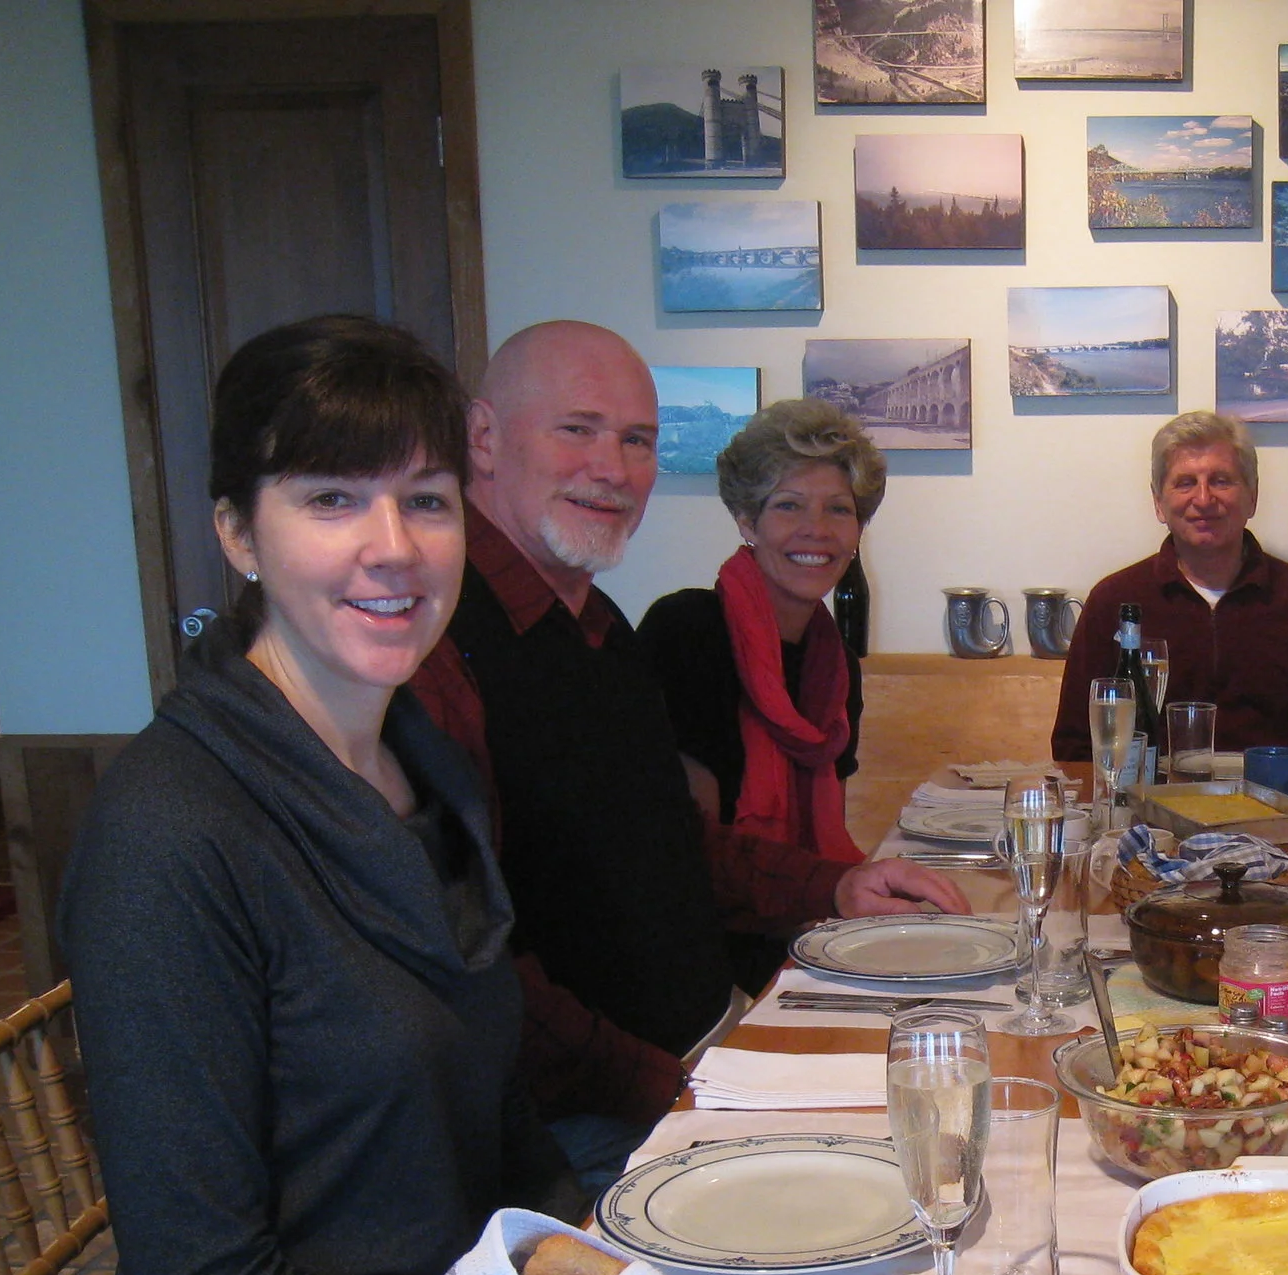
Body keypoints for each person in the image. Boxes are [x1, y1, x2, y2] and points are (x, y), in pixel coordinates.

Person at [59, 315, 578, 1275]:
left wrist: (593, 1267)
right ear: (238, 532)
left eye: (426, 500)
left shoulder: (422, 761)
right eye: (331, 497)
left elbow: (497, 1107)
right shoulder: (170, 830)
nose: (392, 547)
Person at [409, 321, 965, 1188]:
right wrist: (675, 1085)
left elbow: (671, 843)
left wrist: (835, 885)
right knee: (932, 1166)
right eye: (578, 430)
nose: (613, 467)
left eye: (636, 441)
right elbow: (469, 974)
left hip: (699, 1045)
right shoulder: (433, 647)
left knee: (962, 1108)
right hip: (580, 1127)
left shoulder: (597, 632)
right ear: (482, 437)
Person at [639, 396, 873, 855]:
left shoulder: (838, 667)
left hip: (802, 908)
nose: (817, 529)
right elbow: (690, 848)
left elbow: (822, 847)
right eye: (789, 506)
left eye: (839, 509)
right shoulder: (687, 632)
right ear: (748, 521)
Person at [1049, 410, 1288, 759]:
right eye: (1185, 482)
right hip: (1148, 807)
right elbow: (1074, 747)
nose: (1204, 499)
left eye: (1222, 480)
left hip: (1274, 807)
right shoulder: (1113, 602)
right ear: (1158, 502)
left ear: (1252, 497)